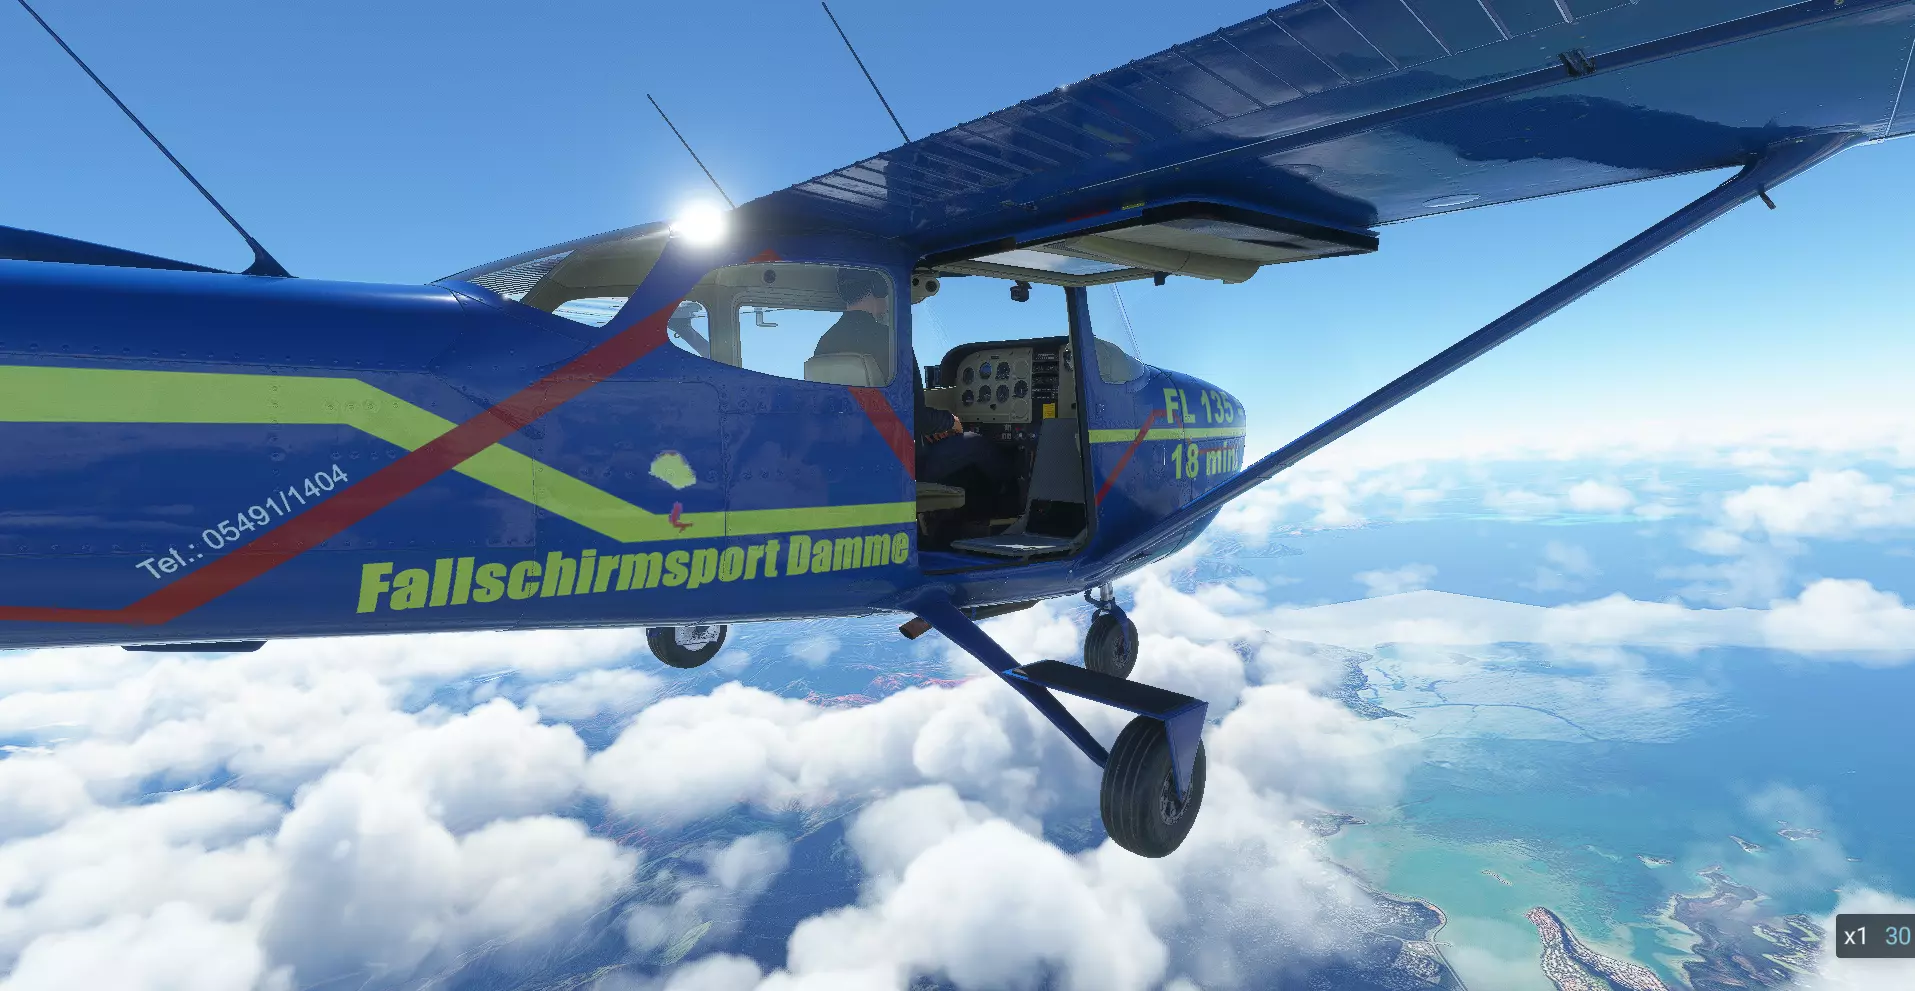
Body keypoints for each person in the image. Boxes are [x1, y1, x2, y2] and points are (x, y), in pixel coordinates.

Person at [815, 269, 1017, 539]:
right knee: (978, 445)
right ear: (878, 287)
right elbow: (916, 417)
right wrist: (950, 422)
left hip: (855, 458)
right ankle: (1014, 513)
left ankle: (949, 525)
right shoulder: (890, 341)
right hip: (898, 462)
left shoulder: (825, 342)